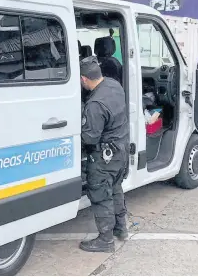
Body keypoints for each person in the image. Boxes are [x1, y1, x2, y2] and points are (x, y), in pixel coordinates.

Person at [80, 56, 129, 253]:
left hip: (104, 158)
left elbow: (90, 138)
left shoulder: (95, 105)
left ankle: (105, 240)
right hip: (121, 151)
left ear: (84, 79)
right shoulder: (114, 85)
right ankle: (121, 229)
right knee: (116, 189)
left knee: (101, 195)